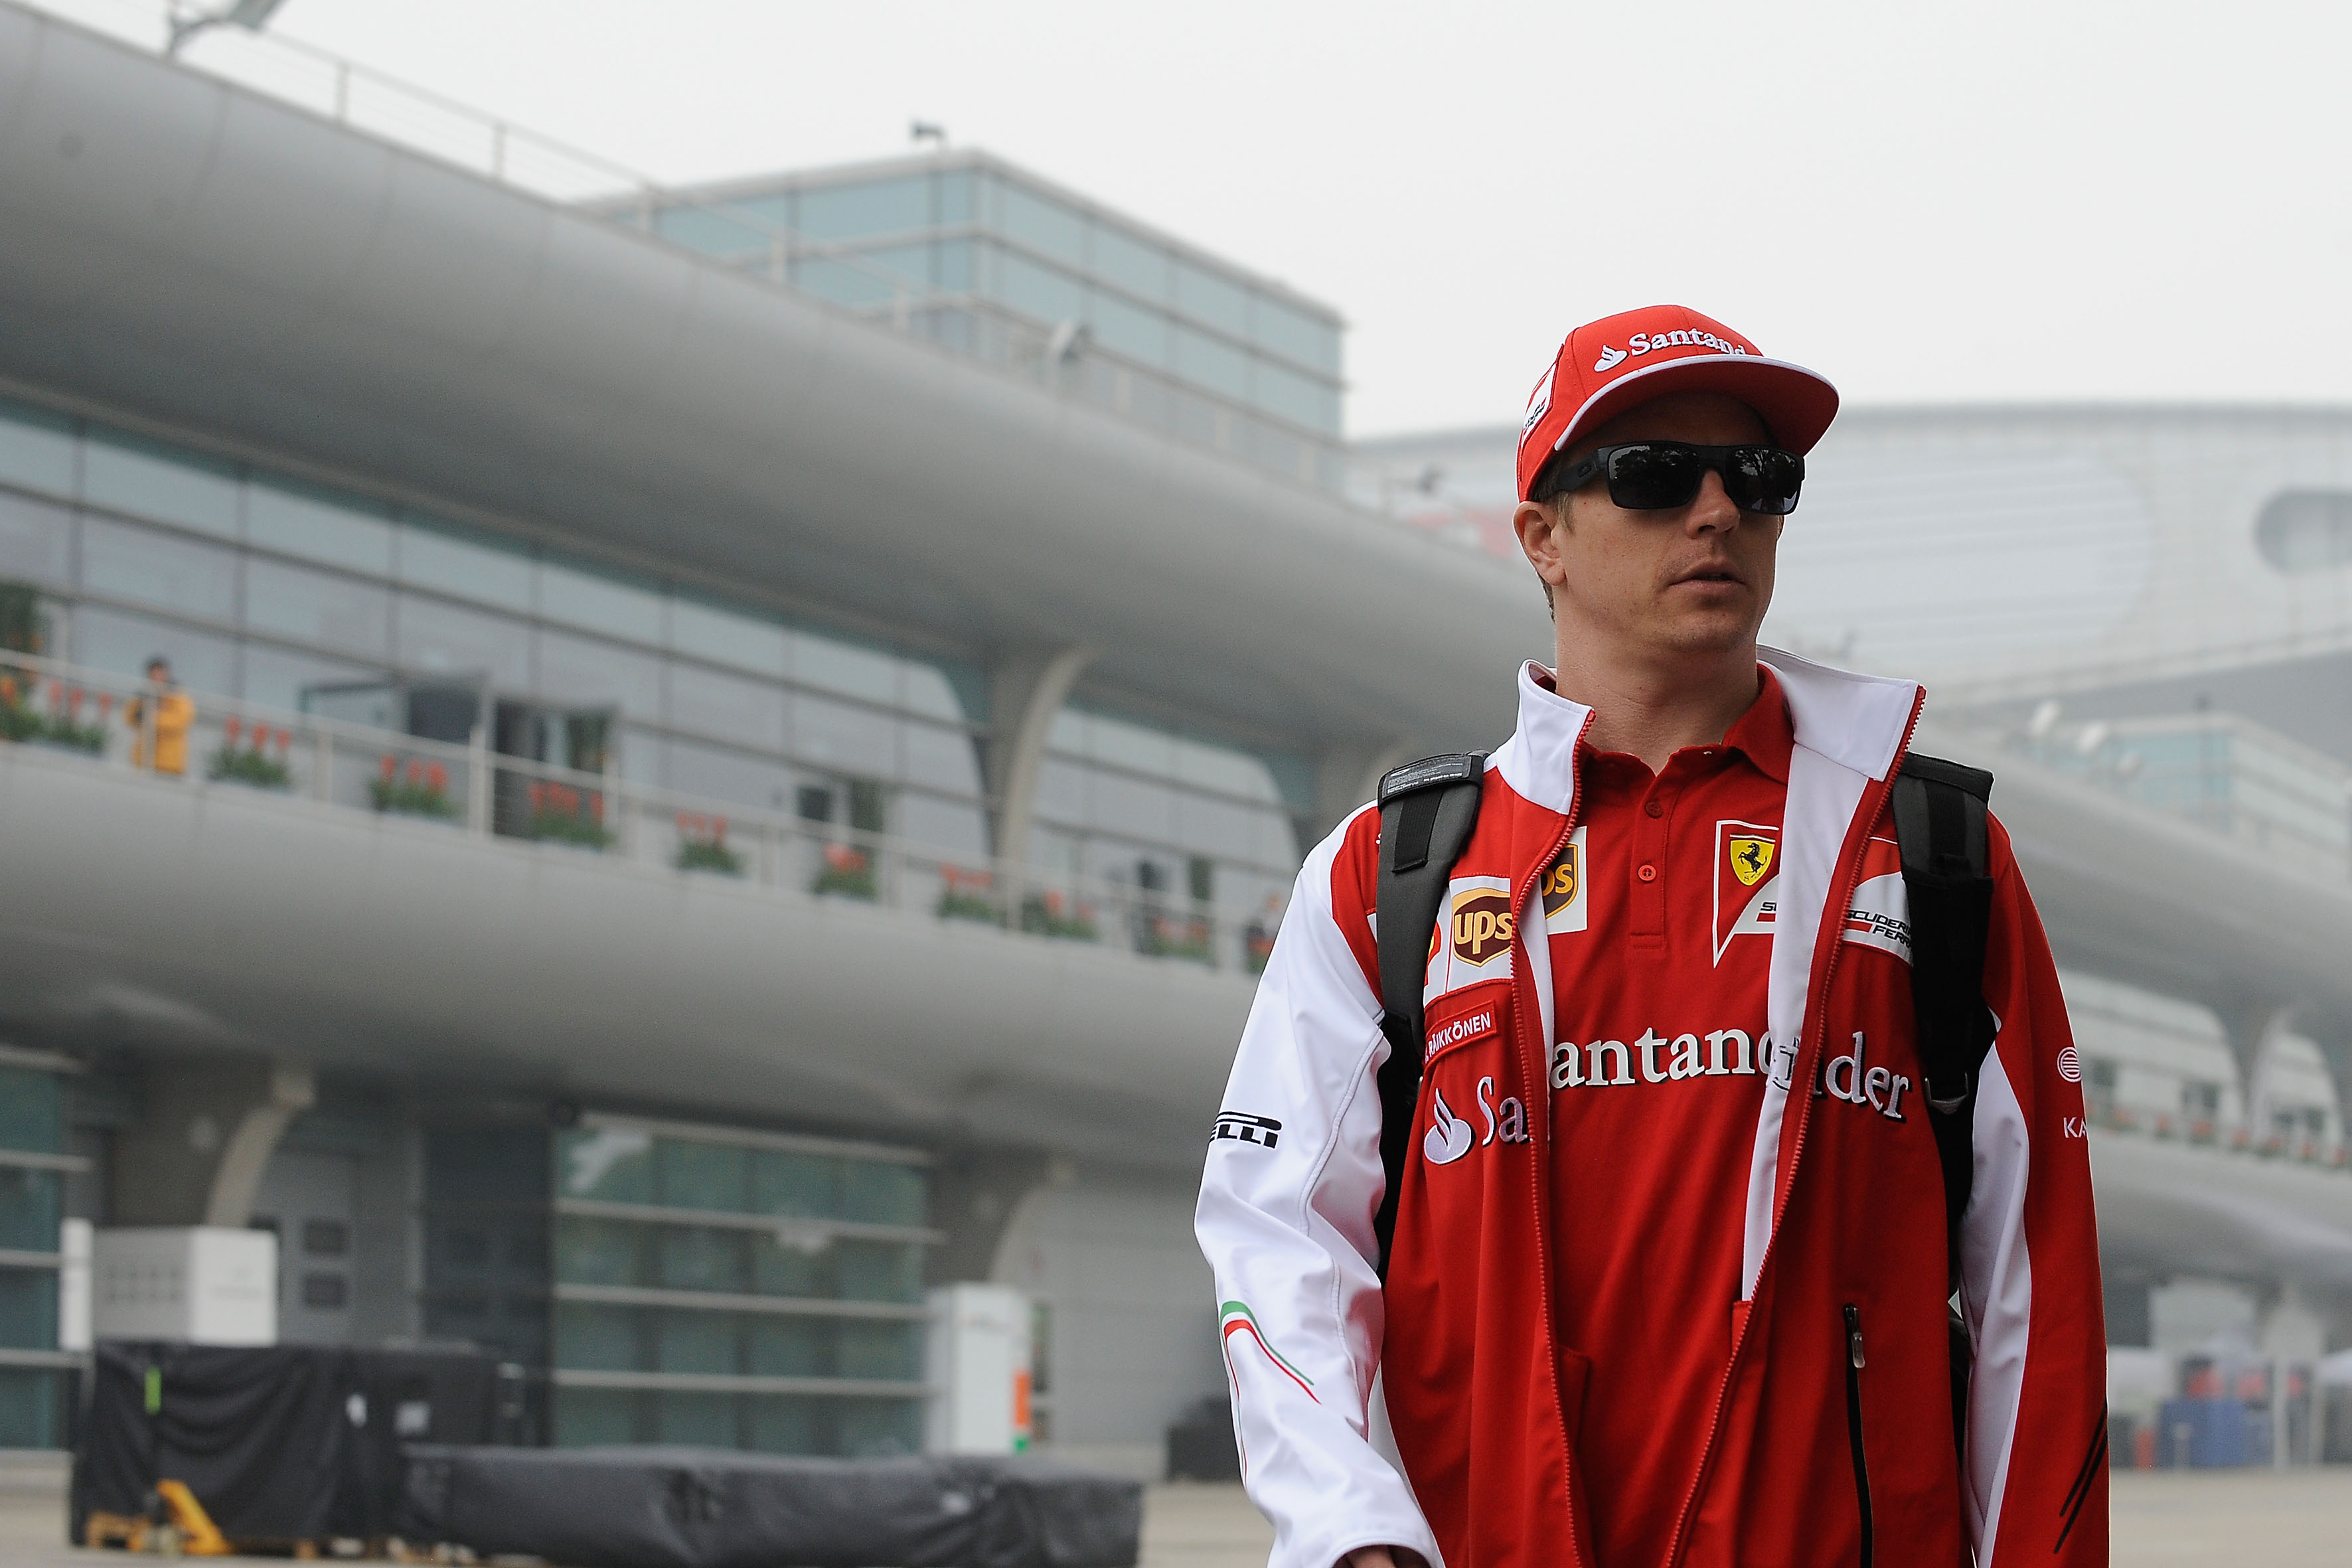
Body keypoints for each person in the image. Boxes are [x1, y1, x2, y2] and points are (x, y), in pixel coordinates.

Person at [1196, 305, 2105, 1568]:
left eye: (1759, 477)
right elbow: (1280, 1232)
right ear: (1541, 537)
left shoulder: (1929, 853)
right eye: (1653, 474)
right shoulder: (1384, 874)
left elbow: (2033, 1291)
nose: (1717, 510)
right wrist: (1346, 1526)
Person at [125, 656, 195, 776]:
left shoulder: (177, 696)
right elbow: (130, 719)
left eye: (159, 674)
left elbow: (179, 722)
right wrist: (140, 708)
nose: (156, 678)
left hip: (168, 765)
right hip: (143, 761)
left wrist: (152, 717)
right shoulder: (145, 695)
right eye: (153, 675)